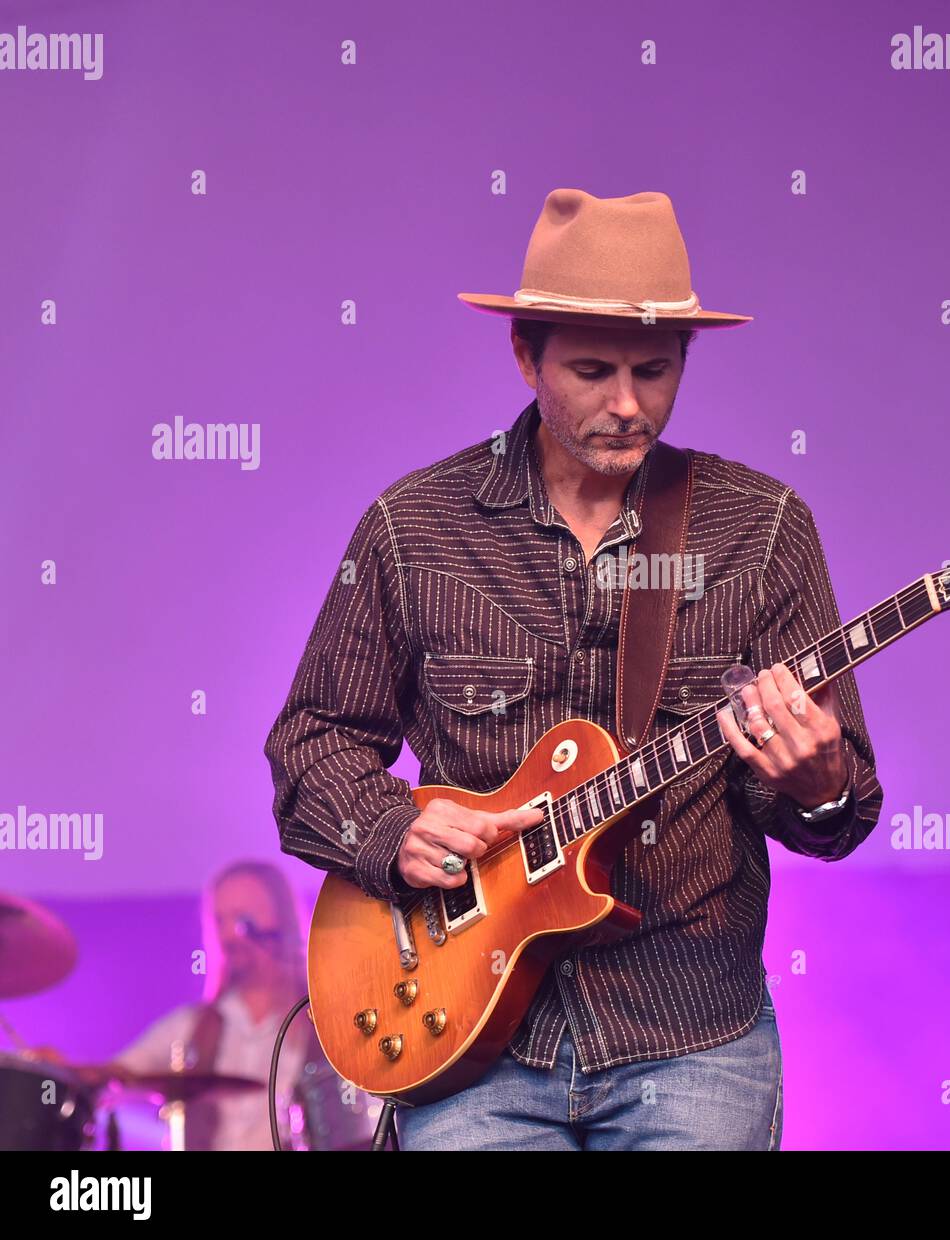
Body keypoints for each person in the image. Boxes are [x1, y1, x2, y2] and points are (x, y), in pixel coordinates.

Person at [264, 188, 884, 1150]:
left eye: (655, 369)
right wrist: (393, 831)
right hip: (463, 1033)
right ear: (525, 354)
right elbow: (311, 744)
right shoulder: (415, 528)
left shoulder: (759, 529)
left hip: (691, 1035)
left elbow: (838, 816)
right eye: (592, 371)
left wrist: (818, 780)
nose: (627, 404)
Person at [110, 861, 368, 1150]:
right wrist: (65, 1072)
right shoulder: (189, 1027)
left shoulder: (328, 1022)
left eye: (242, 919)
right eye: (219, 920)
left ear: (280, 919)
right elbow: (117, 1077)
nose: (229, 935)